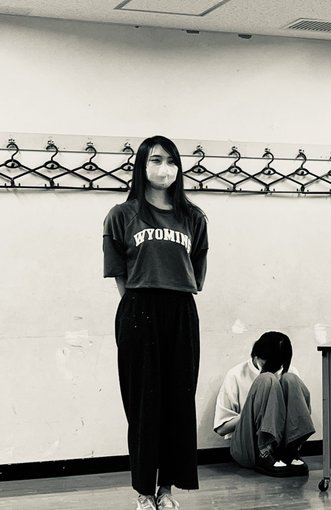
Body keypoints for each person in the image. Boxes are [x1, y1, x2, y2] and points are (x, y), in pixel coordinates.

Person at [103, 135, 208, 510]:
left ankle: (167, 490)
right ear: (142, 166)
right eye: (157, 160)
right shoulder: (122, 214)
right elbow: (119, 272)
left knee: (178, 403)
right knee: (144, 405)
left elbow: (196, 270)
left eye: (172, 161)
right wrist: (137, 307)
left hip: (180, 310)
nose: (165, 168)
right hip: (138, 308)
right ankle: (144, 492)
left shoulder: (193, 217)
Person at [213, 331, 315, 477]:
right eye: (269, 363)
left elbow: (302, 414)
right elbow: (221, 429)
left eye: (279, 365)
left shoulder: (288, 371)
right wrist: (253, 410)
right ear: (256, 355)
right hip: (249, 447)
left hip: (282, 447)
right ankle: (264, 451)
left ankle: (291, 450)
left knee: (290, 379)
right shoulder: (236, 374)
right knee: (267, 379)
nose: (275, 369)